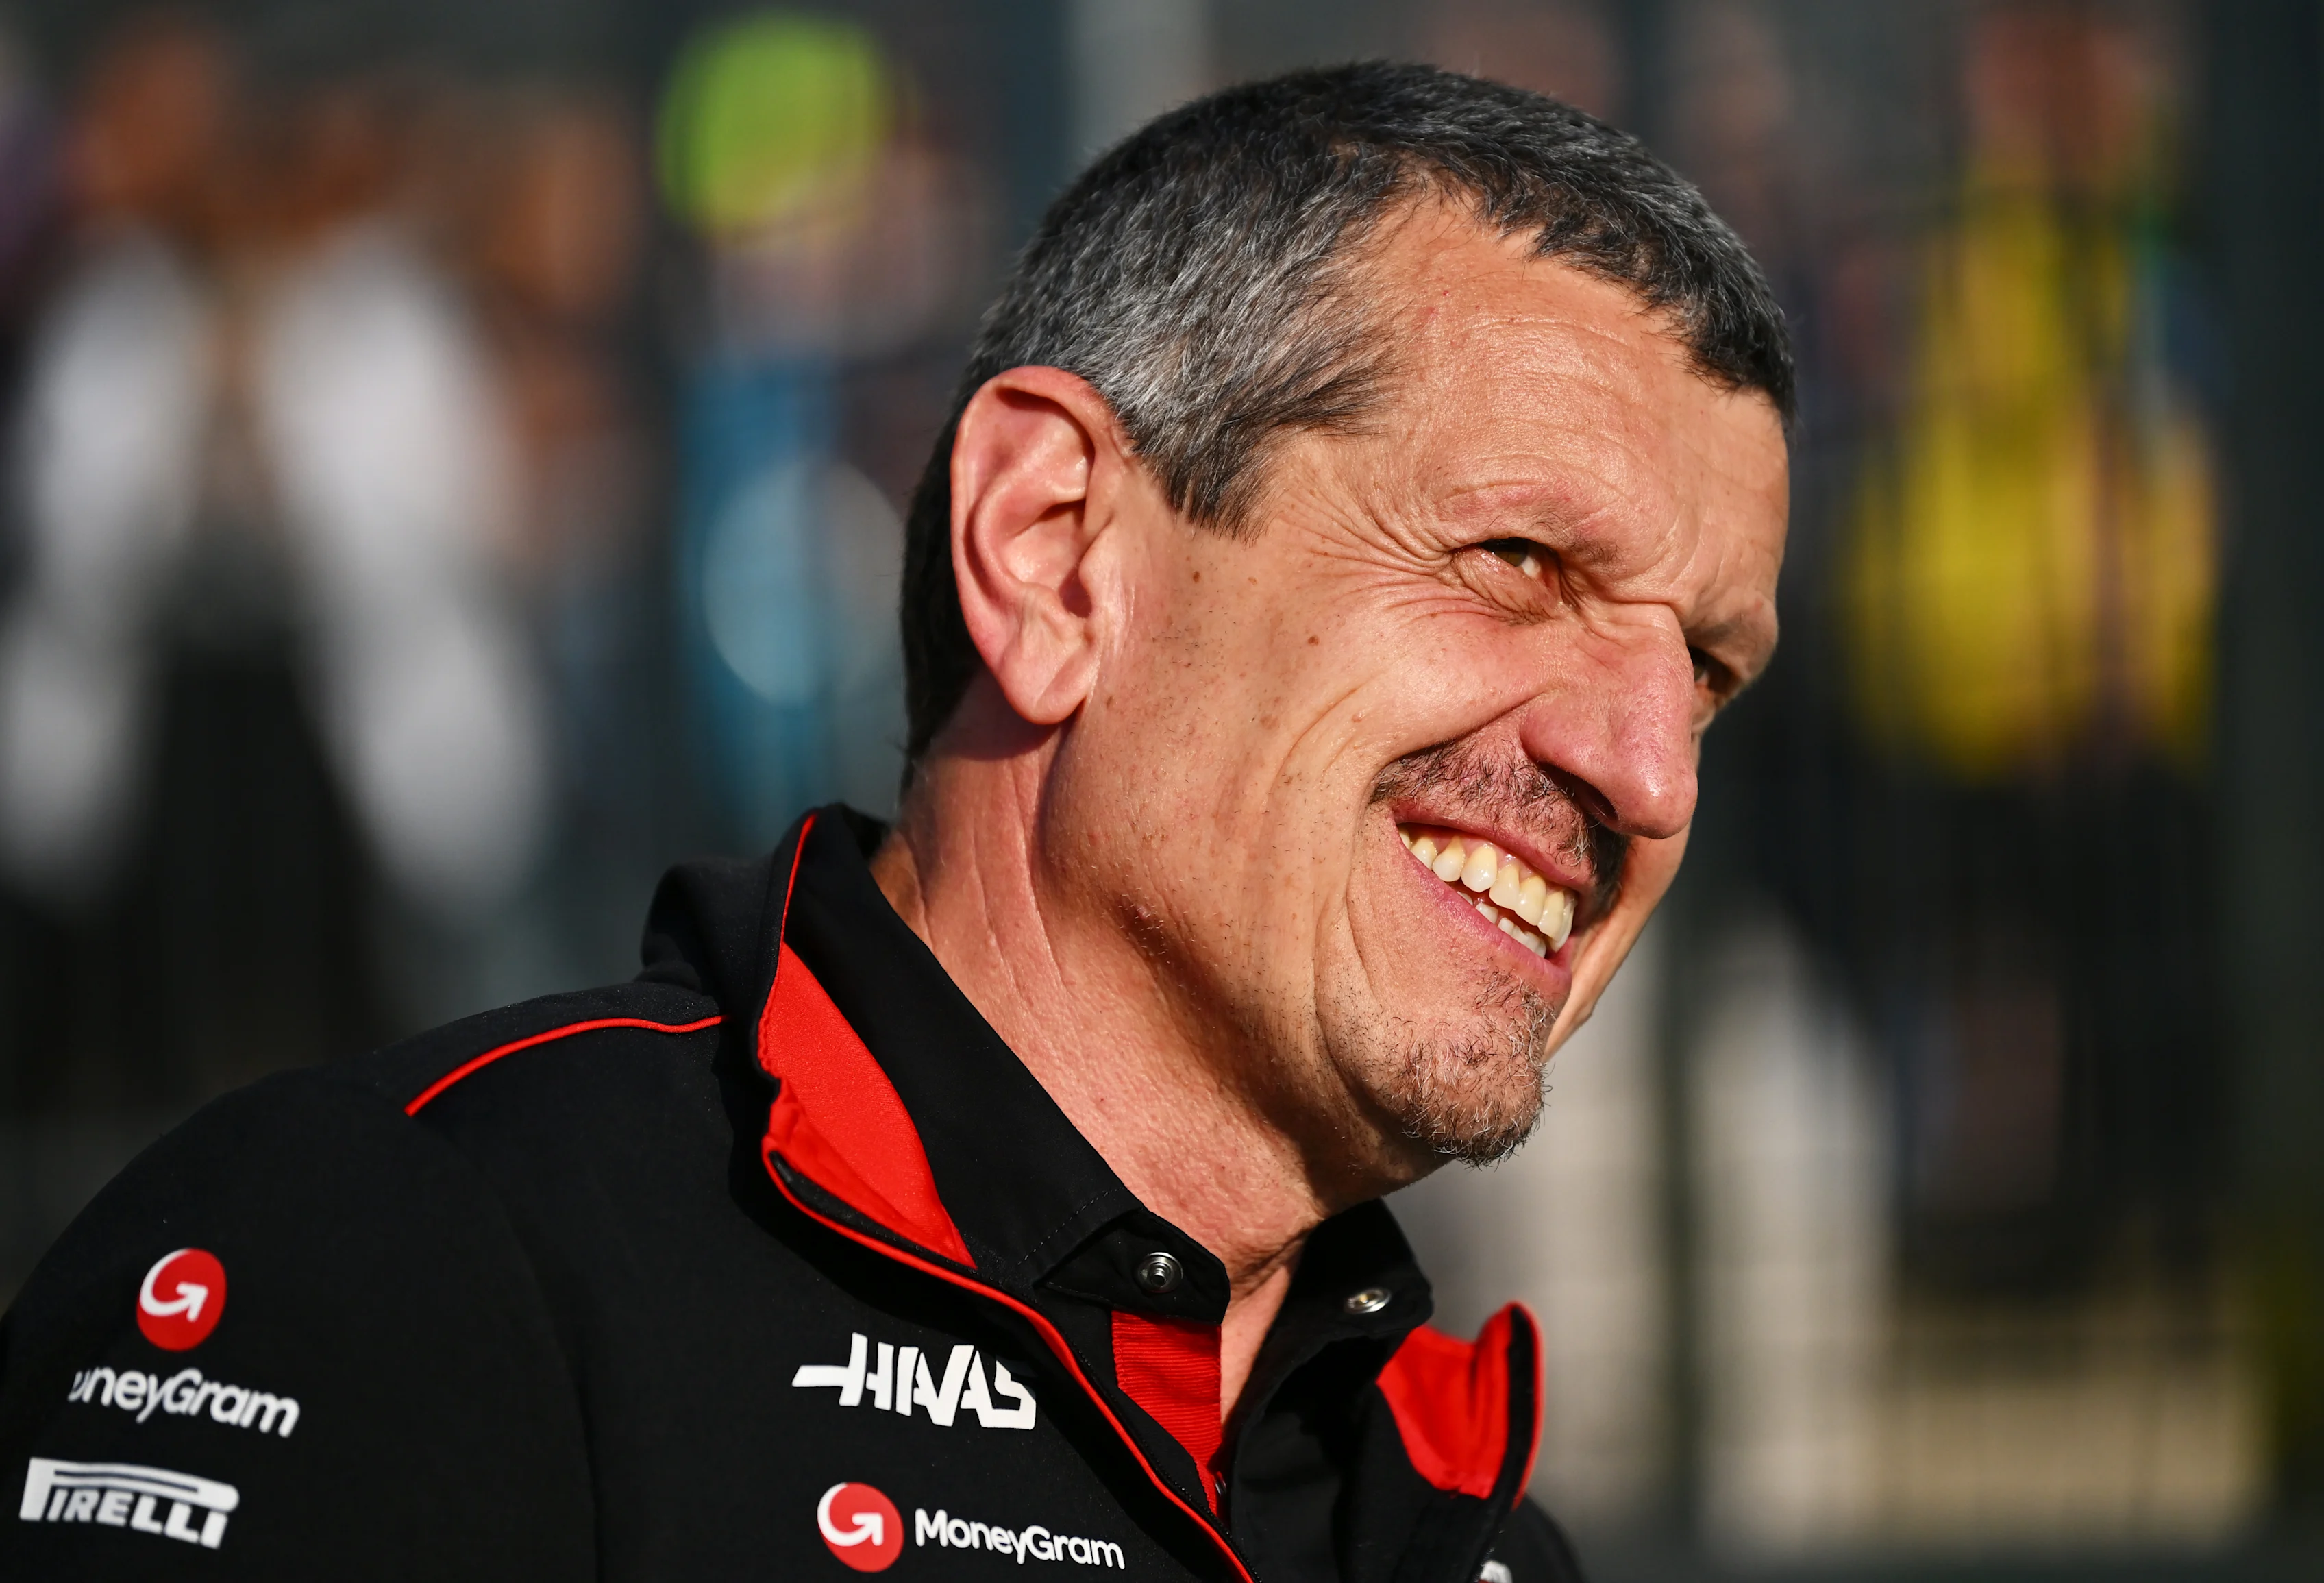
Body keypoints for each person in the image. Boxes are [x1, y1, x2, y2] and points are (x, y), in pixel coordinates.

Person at [0, 63, 1788, 1582]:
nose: (1648, 768)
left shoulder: (1459, 1524)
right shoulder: (399, 1276)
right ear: (1053, 550)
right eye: (1520, 562)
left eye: (1708, 671)